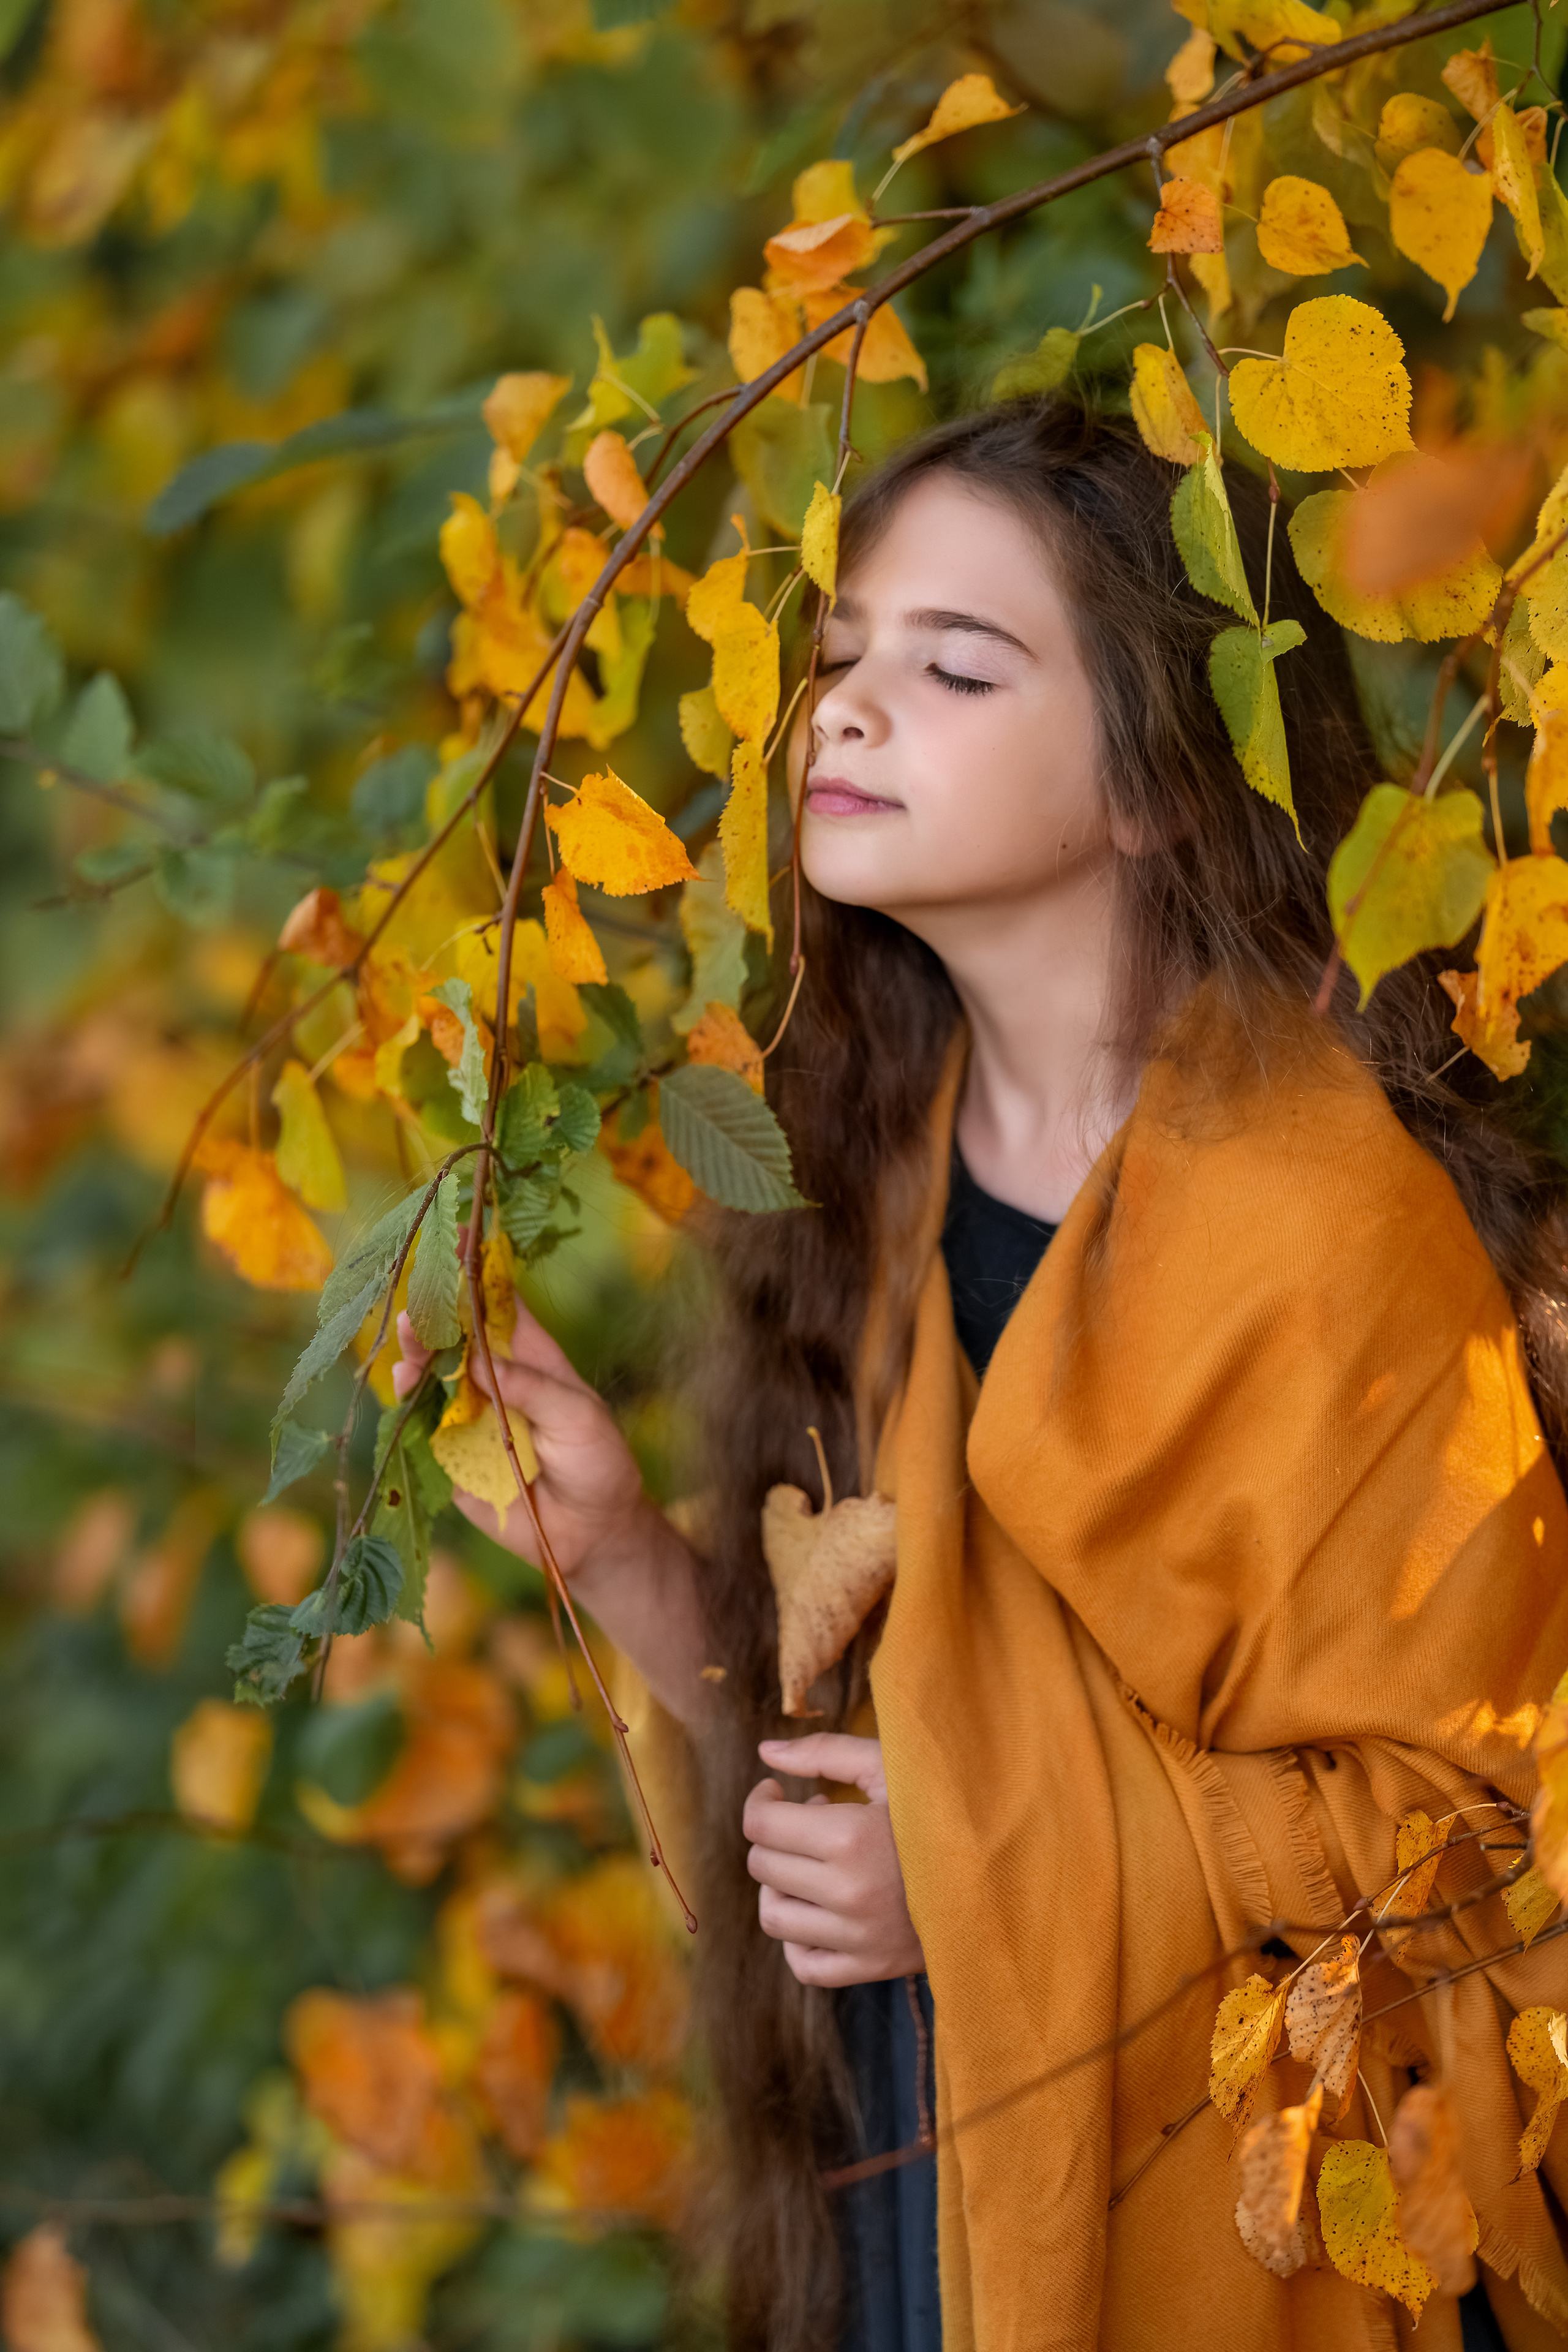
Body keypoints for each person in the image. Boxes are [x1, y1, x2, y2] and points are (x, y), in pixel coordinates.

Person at [395, 400, 1568, 2352]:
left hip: (1214, 2248)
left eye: (955, 666)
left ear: (1158, 786)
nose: (845, 711)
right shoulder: (873, 1161)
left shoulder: (1328, 1217)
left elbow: (1494, 1827)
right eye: (840, 657)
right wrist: (623, 1557)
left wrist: (974, 1862)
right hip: (915, 2214)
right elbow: (858, 1761)